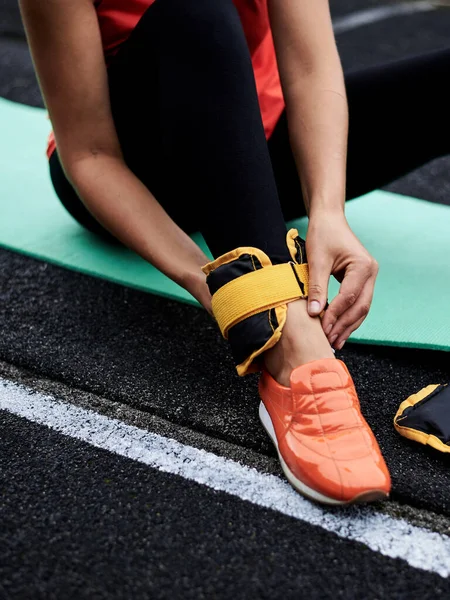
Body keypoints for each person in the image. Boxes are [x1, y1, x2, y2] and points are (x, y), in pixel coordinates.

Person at [19, 0, 449, 505]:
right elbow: (90, 154)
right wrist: (220, 285)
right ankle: (295, 352)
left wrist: (327, 212)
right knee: (197, 10)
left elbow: (311, 69)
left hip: (254, 146)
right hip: (131, 173)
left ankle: (259, 239)